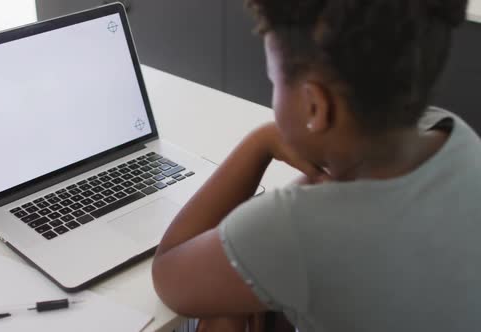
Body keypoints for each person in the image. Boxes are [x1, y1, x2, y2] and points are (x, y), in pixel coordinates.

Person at [152, 0, 480, 331]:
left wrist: (261, 142)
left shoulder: (294, 227)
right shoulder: (457, 137)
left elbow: (168, 275)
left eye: (274, 82)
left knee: (220, 310)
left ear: (315, 106)